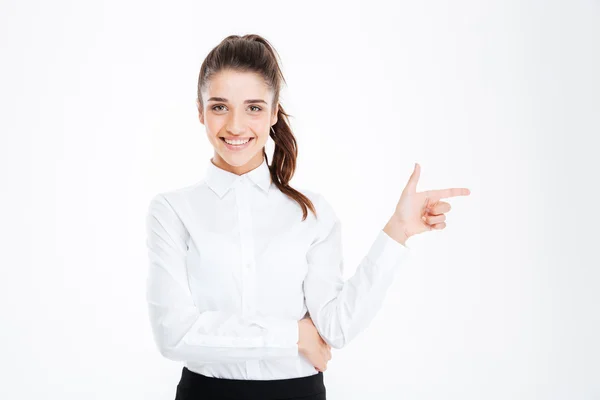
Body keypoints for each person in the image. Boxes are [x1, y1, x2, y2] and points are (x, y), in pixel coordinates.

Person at [145, 34, 470, 400]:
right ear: (200, 110)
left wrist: (398, 232)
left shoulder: (311, 213)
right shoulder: (172, 211)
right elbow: (173, 334)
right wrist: (294, 335)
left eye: (253, 108)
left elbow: (335, 327)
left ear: (272, 112)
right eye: (220, 107)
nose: (235, 126)